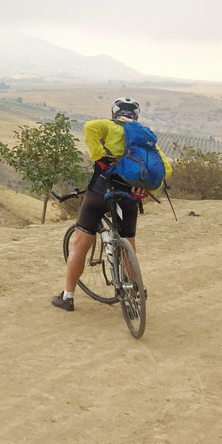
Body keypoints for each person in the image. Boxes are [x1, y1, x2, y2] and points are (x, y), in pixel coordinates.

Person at [52, 97, 171, 311]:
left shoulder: (110, 126)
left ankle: (67, 297)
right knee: (128, 245)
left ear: (113, 114)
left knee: (80, 244)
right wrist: (146, 190)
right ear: (136, 117)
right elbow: (166, 169)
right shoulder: (144, 138)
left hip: (100, 192)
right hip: (130, 197)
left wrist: (99, 157)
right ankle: (134, 291)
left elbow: (89, 126)